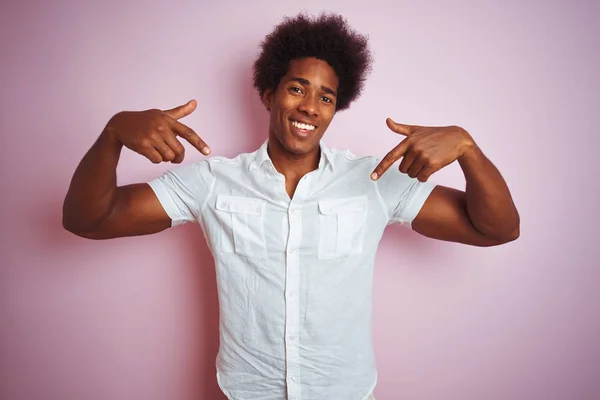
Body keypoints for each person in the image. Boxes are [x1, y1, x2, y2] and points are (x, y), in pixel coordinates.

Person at [62, 12, 519, 400]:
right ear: (268, 93)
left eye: (326, 97)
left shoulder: (376, 181)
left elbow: (497, 228)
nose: (310, 107)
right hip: (246, 391)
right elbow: (89, 219)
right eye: (297, 88)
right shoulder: (211, 182)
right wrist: (112, 135)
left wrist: (468, 150)